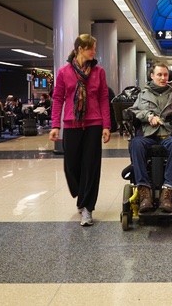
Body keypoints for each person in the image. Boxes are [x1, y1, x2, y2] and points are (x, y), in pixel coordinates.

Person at [49, 34, 111, 227]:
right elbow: (58, 98)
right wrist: (55, 125)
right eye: (91, 48)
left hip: (93, 123)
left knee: (91, 167)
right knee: (71, 165)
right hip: (71, 124)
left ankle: (87, 207)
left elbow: (103, 98)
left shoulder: (99, 72)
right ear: (80, 49)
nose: (94, 51)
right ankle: (80, 193)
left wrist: (107, 126)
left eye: (94, 48)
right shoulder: (64, 72)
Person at [128, 62, 172, 214]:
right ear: (152, 76)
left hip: (169, 134)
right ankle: (144, 190)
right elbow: (133, 111)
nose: (163, 78)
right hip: (149, 134)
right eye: (159, 75)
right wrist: (148, 115)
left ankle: (167, 192)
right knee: (136, 144)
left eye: (165, 75)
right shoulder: (143, 94)